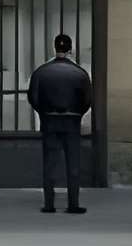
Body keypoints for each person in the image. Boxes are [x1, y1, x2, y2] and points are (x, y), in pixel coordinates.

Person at [29, 33, 94, 214]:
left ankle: (49, 204)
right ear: (70, 49)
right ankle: (73, 203)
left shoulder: (41, 72)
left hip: (50, 120)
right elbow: (88, 100)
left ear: (55, 48)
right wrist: (77, 114)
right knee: (73, 164)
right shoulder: (80, 74)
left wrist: (44, 113)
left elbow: (33, 98)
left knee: (50, 163)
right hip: (72, 121)